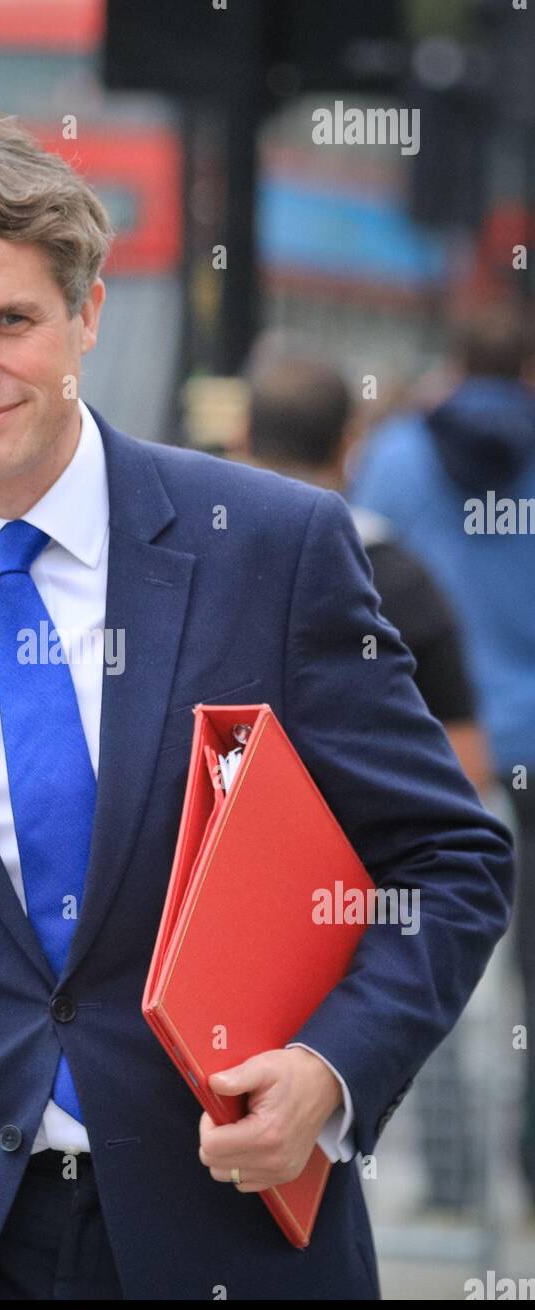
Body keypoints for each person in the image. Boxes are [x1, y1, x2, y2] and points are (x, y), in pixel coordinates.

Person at [0, 106, 513, 1301]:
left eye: (12, 321)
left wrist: (328, 1068)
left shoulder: (272, 547)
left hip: (212, 1227)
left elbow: (449, 854)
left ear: (86, 315)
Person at [244, 351, 494, 1211]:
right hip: (383, 891)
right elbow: (467, 762)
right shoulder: (399, 573)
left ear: (241, 435)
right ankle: (456, 1205)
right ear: (349, 443)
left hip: (241, 909)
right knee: (428, 1040)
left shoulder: (200, 562)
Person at [349, 303, 535, 1210]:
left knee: (431, 945)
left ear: (457, 362)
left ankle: (454, 1187)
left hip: (435, 740)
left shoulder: (395, 457)